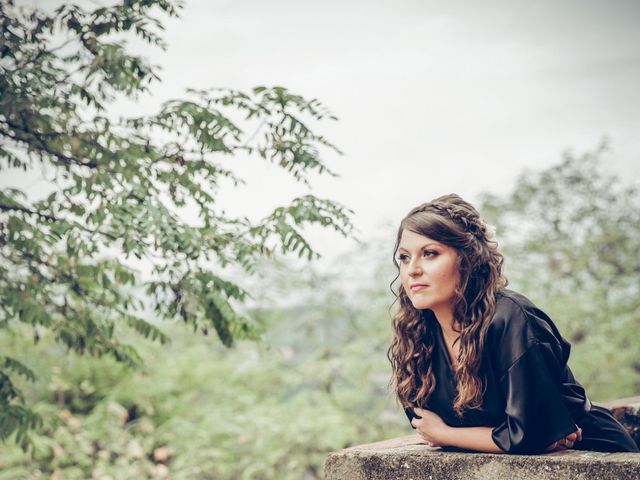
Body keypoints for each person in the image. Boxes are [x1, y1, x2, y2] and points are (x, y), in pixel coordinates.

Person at [387, 194, 639, 454]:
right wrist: (506, 437)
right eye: (404, 257)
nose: (412, 269)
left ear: (468, 259)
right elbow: (424, 423)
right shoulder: (416, 332)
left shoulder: (511, 318)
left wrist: (447, 434)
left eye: (430, 253)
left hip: (596, 456)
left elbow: (528, 436)